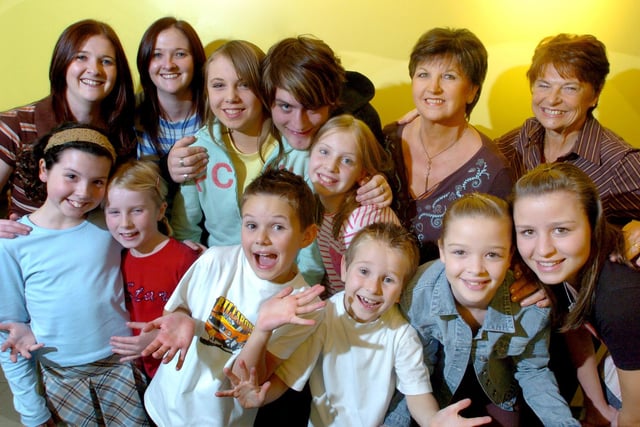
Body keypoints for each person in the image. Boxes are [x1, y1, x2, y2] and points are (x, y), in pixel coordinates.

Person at [219, 222, 493, 427]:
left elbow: (417, 395)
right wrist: (261, 397)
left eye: (388, 280)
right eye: (364, 271)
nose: (373, 288)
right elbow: (288, 376)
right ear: (344, 270)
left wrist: (433, 420)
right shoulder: (324, 316)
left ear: (401, 291)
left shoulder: (401, 335)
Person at [139, 168, 325, 427]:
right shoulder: (215, 260)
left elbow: (245, 379)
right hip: (164, 405)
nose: (261, 238)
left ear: (307, 236)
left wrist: (262, 329)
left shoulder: (305, 307)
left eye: (278, 227)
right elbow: (177, 311)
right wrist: (181, 320)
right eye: (251, 225)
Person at [385, 193, 579, 426]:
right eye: (460, 252)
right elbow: (415, 371)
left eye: (492, 255)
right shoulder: (418, 294)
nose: (476, 269)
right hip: (436, 385)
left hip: (497, 385)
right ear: (442, 251)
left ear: (510, 257)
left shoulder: (531, 307)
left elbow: (533, 371)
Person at [0, 124, 148, 426]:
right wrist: (32, 411)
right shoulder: (13, 243)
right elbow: (9, 335)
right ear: (44, 169)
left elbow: (152, 248)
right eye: (71, 176)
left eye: (98, 182)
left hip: (124, 368)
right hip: (60, 376)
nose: (83, 192)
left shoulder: (111, 227)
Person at [166, 35, 391, 210]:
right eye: (285, 106)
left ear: (333, 102)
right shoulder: (210, 141)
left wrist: (380, 184)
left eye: (311, 108)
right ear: (267, 97)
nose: (299, 123)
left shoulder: (359, 121)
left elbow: (379, 172)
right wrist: (169, 167)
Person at [512, 162, 640, 426]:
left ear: (593, 223)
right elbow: (576, 327)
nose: (544, 249)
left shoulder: (619, 298)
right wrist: (597, 408)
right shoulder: (564, 266)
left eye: (561, 230)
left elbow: (636, 416)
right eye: (527, 232)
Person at [495, 33, 640, 261]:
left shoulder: (617, 160)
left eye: (569, 88)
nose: (552, 99)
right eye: (544, 85)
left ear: (595, 94)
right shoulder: (515, 143)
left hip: (579, 289)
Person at [383, 28, 512, 264]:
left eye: (449, 77)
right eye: (423, 74)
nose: (433, 88)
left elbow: (501, 254)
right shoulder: (386, 140)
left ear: (472, 91)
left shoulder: (493, 171)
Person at [0, 19, 136, 237]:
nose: (94, 70)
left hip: (98, 251)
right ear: (62, 62)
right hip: (30, 252)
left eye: (107, 61)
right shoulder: (15, 125)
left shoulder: (124, 132)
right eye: (81, 57)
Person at [105, 160, 199, 379]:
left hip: (179, 368)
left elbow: (203, 314)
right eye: (114, 212)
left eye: (137, 211)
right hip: (137, 369)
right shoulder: (114, 256)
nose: (125, 223)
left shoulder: (184, 258)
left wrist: (160, 335)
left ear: (160, 210)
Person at [309, 114, 400, 297]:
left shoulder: (361, 219)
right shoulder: (318, 205)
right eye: (324, 152)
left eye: (347, 160)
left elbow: (370, 290)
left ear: (362, 173)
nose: (330, 167)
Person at [135, 17, 206, 163]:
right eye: (157, 55)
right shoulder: (132, 111)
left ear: (195, 60)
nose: (168, 65)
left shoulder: (214, 112)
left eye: (180, 54)